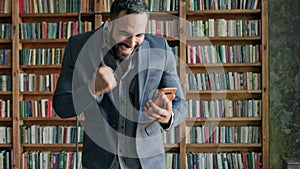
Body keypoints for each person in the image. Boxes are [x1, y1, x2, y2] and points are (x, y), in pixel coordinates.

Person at [53, 0, 187, 168]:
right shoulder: (78, 47)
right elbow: (61, 107)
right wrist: (92, 89)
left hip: (147, 163)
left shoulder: (161, 49)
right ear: (109, 25)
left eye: (139, 35)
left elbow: (180, 103)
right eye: (125, 33)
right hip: (98, 161)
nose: (131, 43)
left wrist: (168, 116)